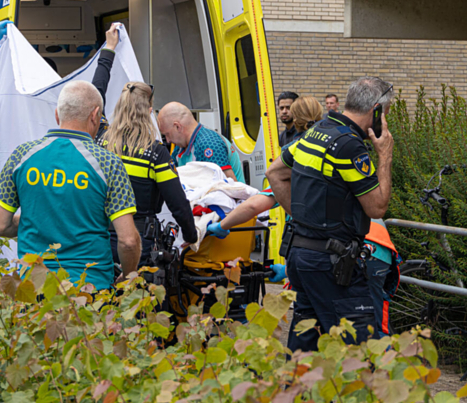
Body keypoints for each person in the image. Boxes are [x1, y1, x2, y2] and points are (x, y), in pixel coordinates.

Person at [266, 77, 395, 351]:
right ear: (375, 111)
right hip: (331, 264)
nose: (386, 120)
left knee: (305, 350)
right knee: (360, 351)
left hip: (301, 256)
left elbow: (274, 172)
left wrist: (303, 219)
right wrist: (384, 155)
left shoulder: (317, 131)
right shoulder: (349, 146)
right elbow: (376, 207)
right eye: (386, 113)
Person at [0, 80, 141, 290]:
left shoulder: (22, 155)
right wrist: (128, 276)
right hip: (88, 288)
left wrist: (40, 221)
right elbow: (128, 241)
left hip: (33, 286)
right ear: (95, 115)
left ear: (57, 115)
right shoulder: (108, 163)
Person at [101, 81, 198, 266]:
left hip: (100, 239)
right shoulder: (156, 153)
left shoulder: (101, 142)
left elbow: (97, 91)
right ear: (149, 112)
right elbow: (177, 202)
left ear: (119, 108)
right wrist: (191, 235)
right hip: (139, 243)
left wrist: (107, 60)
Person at [207, 96, 323, 236]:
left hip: (307, 235)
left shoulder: (293, 154)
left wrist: (222, 225)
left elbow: (254, 205)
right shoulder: (336, 146)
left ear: (295, 120)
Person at [157, 102, 244, 182]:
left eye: (167, 134)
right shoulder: (180, 148)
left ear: (178, 127)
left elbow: (231, 187)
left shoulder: (209, 144)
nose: (168, 140)